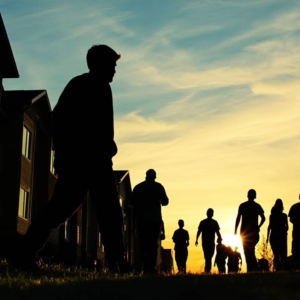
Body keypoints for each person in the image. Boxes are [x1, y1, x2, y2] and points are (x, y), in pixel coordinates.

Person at [9, 44, 130, 274]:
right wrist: (74, 150)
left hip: (96, 161)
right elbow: (58, 121)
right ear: (99, 64)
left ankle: (117, 262)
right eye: (112, 65)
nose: (115, 69)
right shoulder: (80, 85)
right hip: (81, 162)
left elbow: (101, 129)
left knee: (109, 213)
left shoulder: (102, 88)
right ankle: (23, 253)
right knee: (62, 211)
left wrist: (107, 146)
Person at [131, 169, 169, 275]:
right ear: (154, 176)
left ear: (146, 176)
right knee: (152, 244)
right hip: (154, 220)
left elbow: (131, 202)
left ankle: (144, 266)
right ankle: (151, 267)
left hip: (141, 220)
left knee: (142, 244)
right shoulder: (158, 187)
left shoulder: (138, 187)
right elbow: (166, 201)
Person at [234, 189, 265, 272]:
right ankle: (252, 269)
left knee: (248, 251)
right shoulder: (257, 206)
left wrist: (235, 230)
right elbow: (263, 218)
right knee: (250, 250)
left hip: (245, 233)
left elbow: (238, 219)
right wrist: (259, 226)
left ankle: (252, 268)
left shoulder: (243, 206)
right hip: (252, 233)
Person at [195, 208, 222, 273]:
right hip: (206, 242)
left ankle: (207, 269)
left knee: (208, 256)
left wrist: (220, 237)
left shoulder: (212, 222)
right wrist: (196, 239)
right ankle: (207, 269)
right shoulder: (205, 222)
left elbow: (217, 232)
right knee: (208, 256)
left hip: (209, 242)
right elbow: (199, 231)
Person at [266, 199, 288, 271]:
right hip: (282, 237)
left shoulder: (272, 216)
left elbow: (269, 227)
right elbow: (287, 227)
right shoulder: (284, 216)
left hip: (274, 236)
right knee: (282, 254)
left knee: (276, 254)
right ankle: (281, 268)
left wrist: (267, 237)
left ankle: (277, 269)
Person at [288, 194, 300, 270]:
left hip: (296, 231)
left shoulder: (294, 207)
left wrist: (296, 222)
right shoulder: (294, 207)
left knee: (296, 250)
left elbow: (291, 219)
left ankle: (297, 266)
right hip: (296, 232)